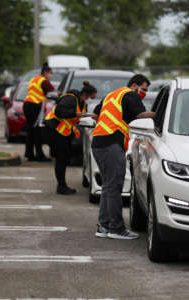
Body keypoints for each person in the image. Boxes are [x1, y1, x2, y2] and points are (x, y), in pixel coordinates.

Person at [91, 74, 155, 240]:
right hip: (111, 142)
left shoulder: (111, 95)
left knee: (108, 186)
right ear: (134, 85)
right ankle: (116, 228)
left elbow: (95, 115)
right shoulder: (130, 94)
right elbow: (141, 116)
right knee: (114, 186)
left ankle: (104, 226)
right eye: (143, 89)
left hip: (99, 142)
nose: (144, 93)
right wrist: (158, 114)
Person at [44, 81, 97, 195]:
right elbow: (59, 112)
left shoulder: (82, 103)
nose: (91, 101)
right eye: (91, 98)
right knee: (61, 159)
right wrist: (75, 114)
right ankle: (61, 186)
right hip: (55, 130)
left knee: (65, 158)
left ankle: (62, 185)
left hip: (64, 133)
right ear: (85, 95)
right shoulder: (71, 98)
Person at [23, 62, 57, 162]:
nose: (51, 76)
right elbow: (53, 92)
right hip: (35, 106)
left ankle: (29, 154)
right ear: (46, 72)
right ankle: (39, 155)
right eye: (50, 73)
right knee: (37, 131)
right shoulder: (44, 81)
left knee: (31, 131)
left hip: (27, 104)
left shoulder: (34, 79)